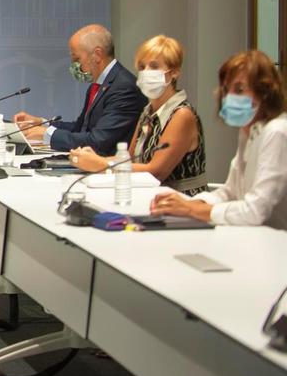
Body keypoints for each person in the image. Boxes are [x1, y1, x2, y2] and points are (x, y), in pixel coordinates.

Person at [151, 49, 287, 230]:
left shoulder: (276, 132)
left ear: (264, 93)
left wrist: (190, 210)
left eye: (239, 89)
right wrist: (189, 202)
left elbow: (254, 211)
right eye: (226, 89)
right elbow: (230, 192)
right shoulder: (248, 131)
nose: (229, 97)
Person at [67, 35, 207, 194]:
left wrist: (100, 164)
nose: (146, 72)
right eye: (142, 67)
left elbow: (155, 172)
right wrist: (93, 159)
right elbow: (128, 159)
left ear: (174, 72)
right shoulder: (148, 112)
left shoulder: (182, 114)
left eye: (154, 66)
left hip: (181, 203)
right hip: (148, 197)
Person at [14, 23, 144, 156]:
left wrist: (47, 134)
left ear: (97, 55)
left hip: (108, 170)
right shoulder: (97, 86)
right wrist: (43, 123)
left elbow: (98, 141)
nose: (74, 65)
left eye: (77, 59)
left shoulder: (124, 88)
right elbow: (81, 128)